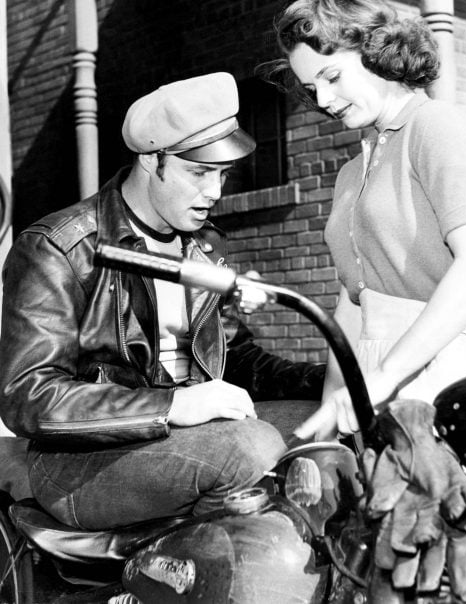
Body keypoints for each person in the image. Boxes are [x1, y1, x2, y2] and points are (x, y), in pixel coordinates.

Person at [0, 72, 323, 530]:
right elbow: (28, 397)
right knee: (250, 448)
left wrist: (328, 381)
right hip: (80, 463)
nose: (214, 192)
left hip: (193, 438)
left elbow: (237, 361)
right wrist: (172, 406)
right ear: (153, 160)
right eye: (198, 172)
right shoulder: (60, 247)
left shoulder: (204, 244)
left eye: (221, 175)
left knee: (325, 426)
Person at [262, 0, 466, 442]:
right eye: (313, 88)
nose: (324, 98)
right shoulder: (353, 170)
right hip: (372, 369)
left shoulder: (436, 127)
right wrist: (331, 416)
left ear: (377, 52)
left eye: (332, 76)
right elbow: (352, 304)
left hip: (438, 366)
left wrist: (385, 375)